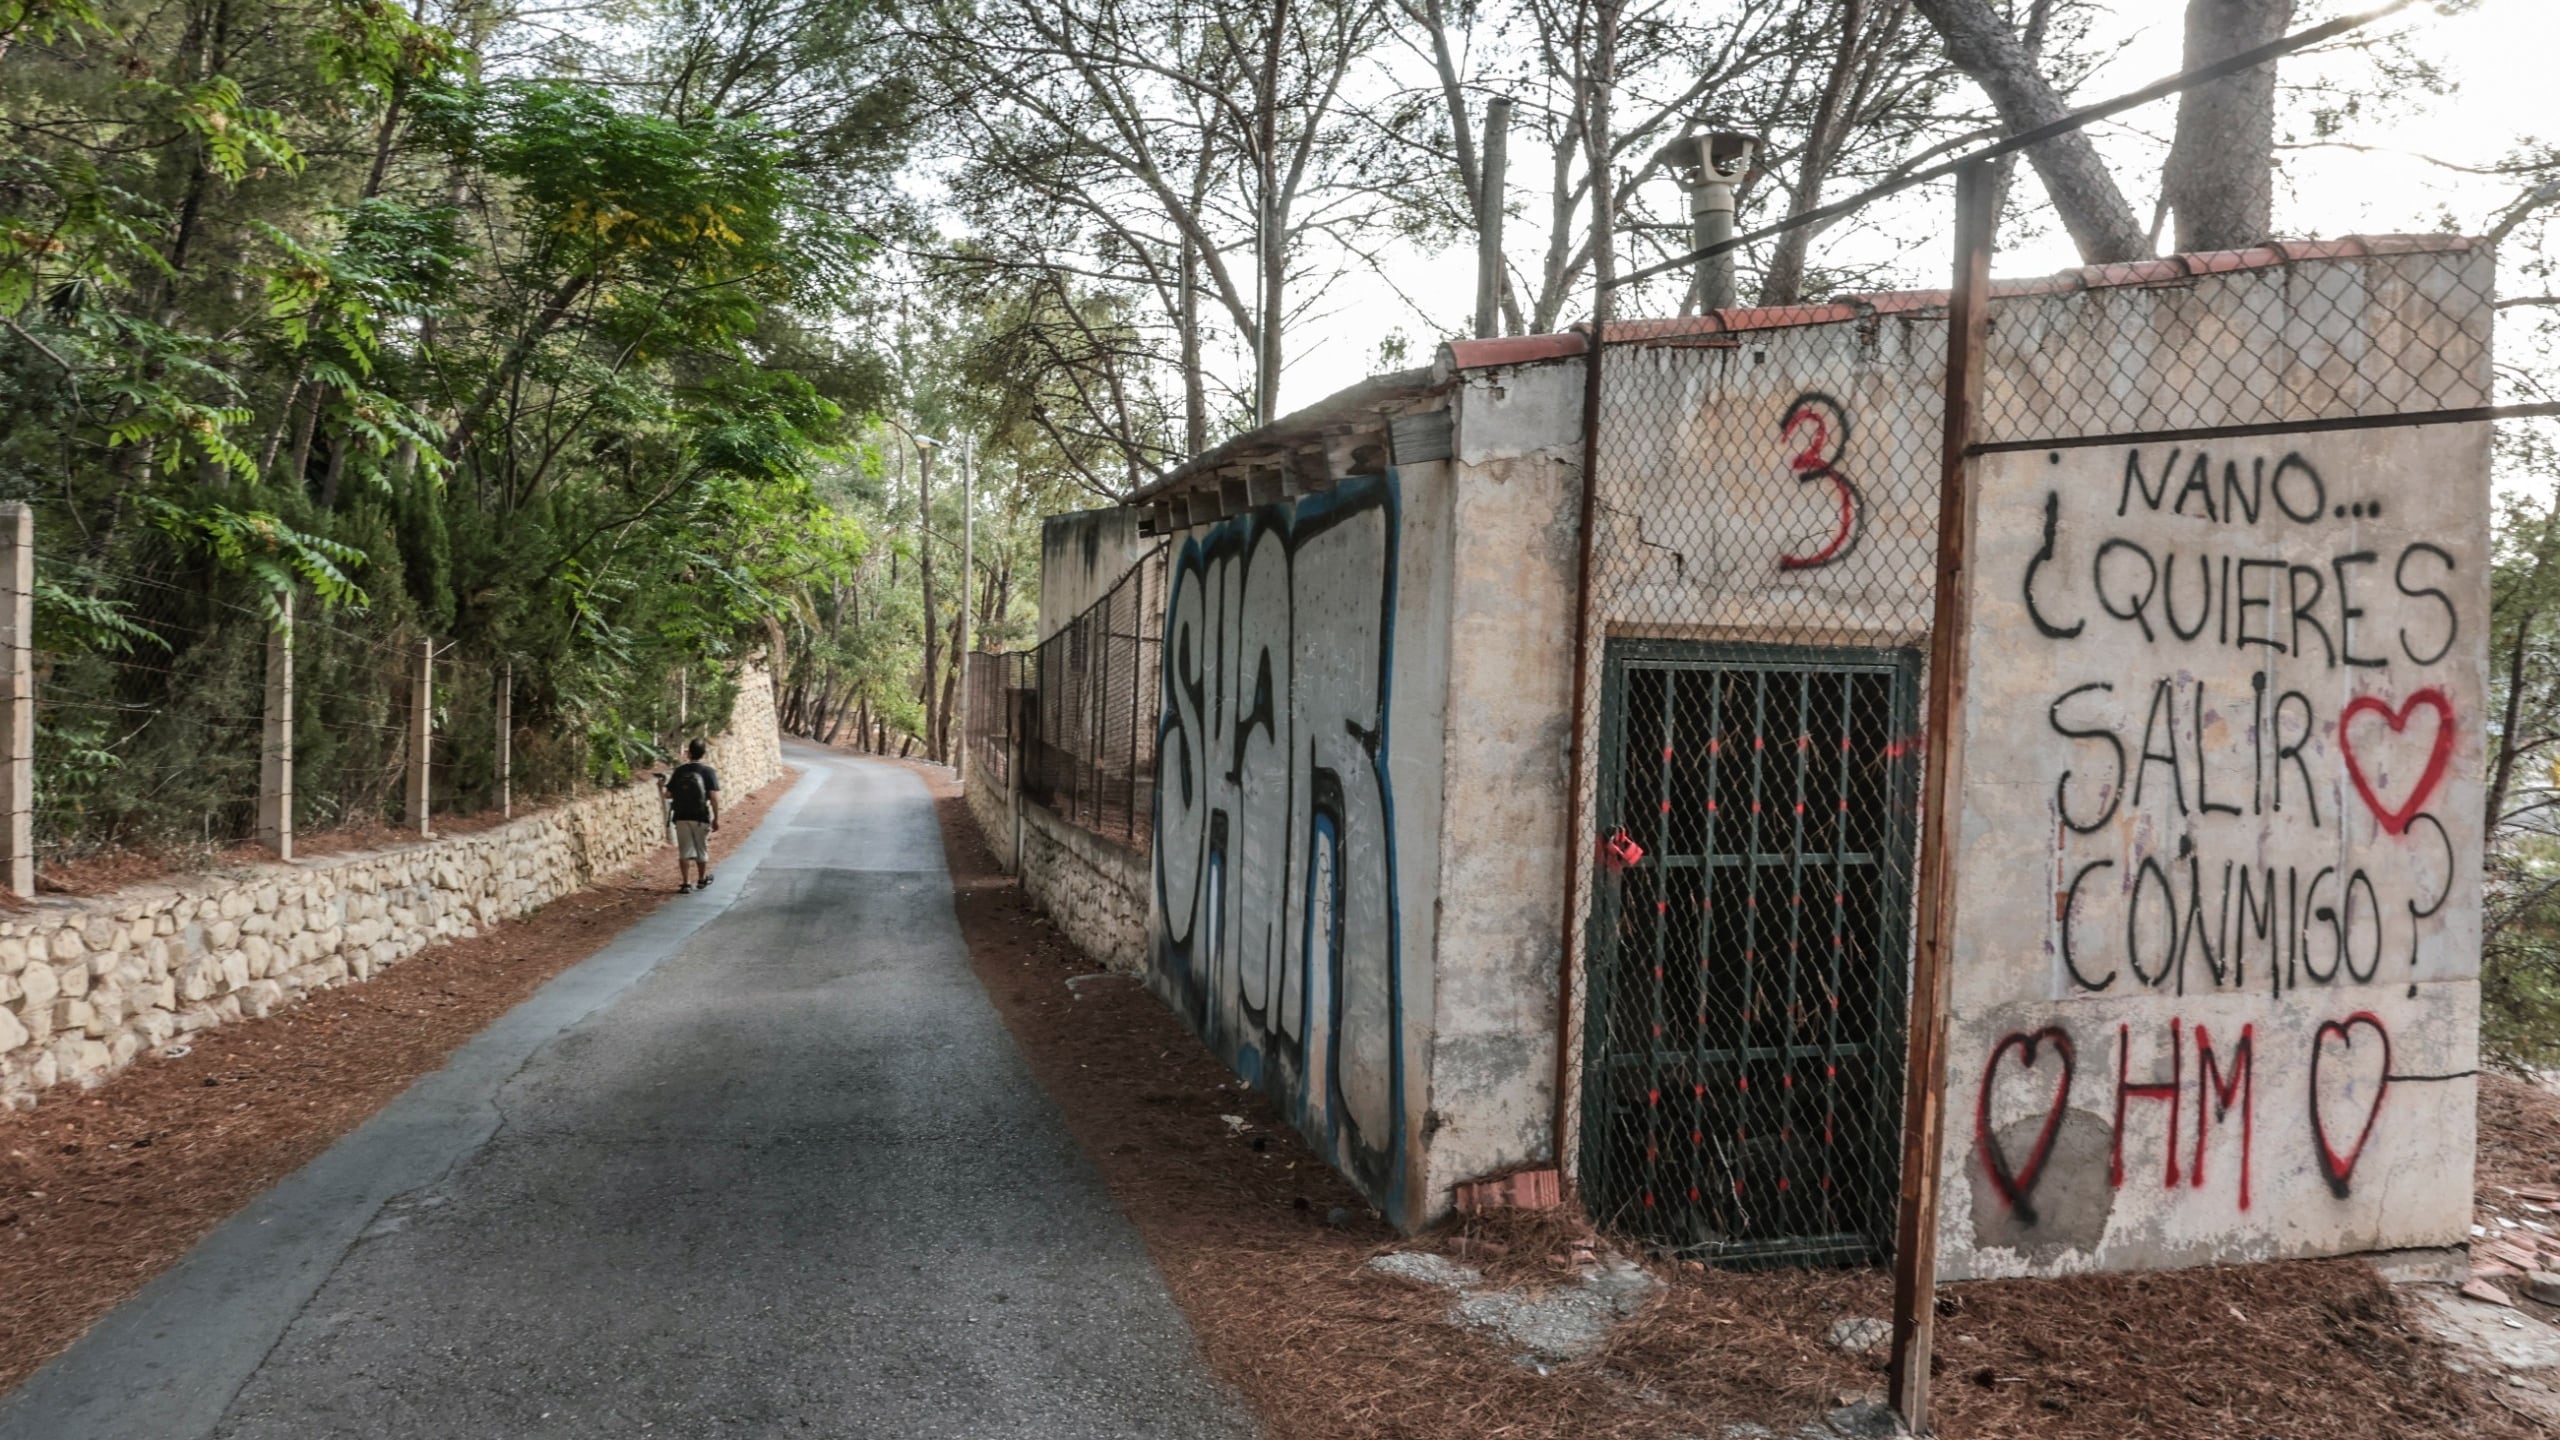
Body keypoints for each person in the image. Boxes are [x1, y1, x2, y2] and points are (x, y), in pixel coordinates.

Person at [659, 739, 721, 893]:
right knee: (701, 848)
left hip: (681, 816)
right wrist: (716, 818)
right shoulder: (708, 772)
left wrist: (660, 787)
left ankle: (686, 883)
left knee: (684, 850)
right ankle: (701, 879)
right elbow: (713, 797)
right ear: (703, 753)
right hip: (701, 816)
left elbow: (668, 794)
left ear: (689, 753)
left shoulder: (680, 771)